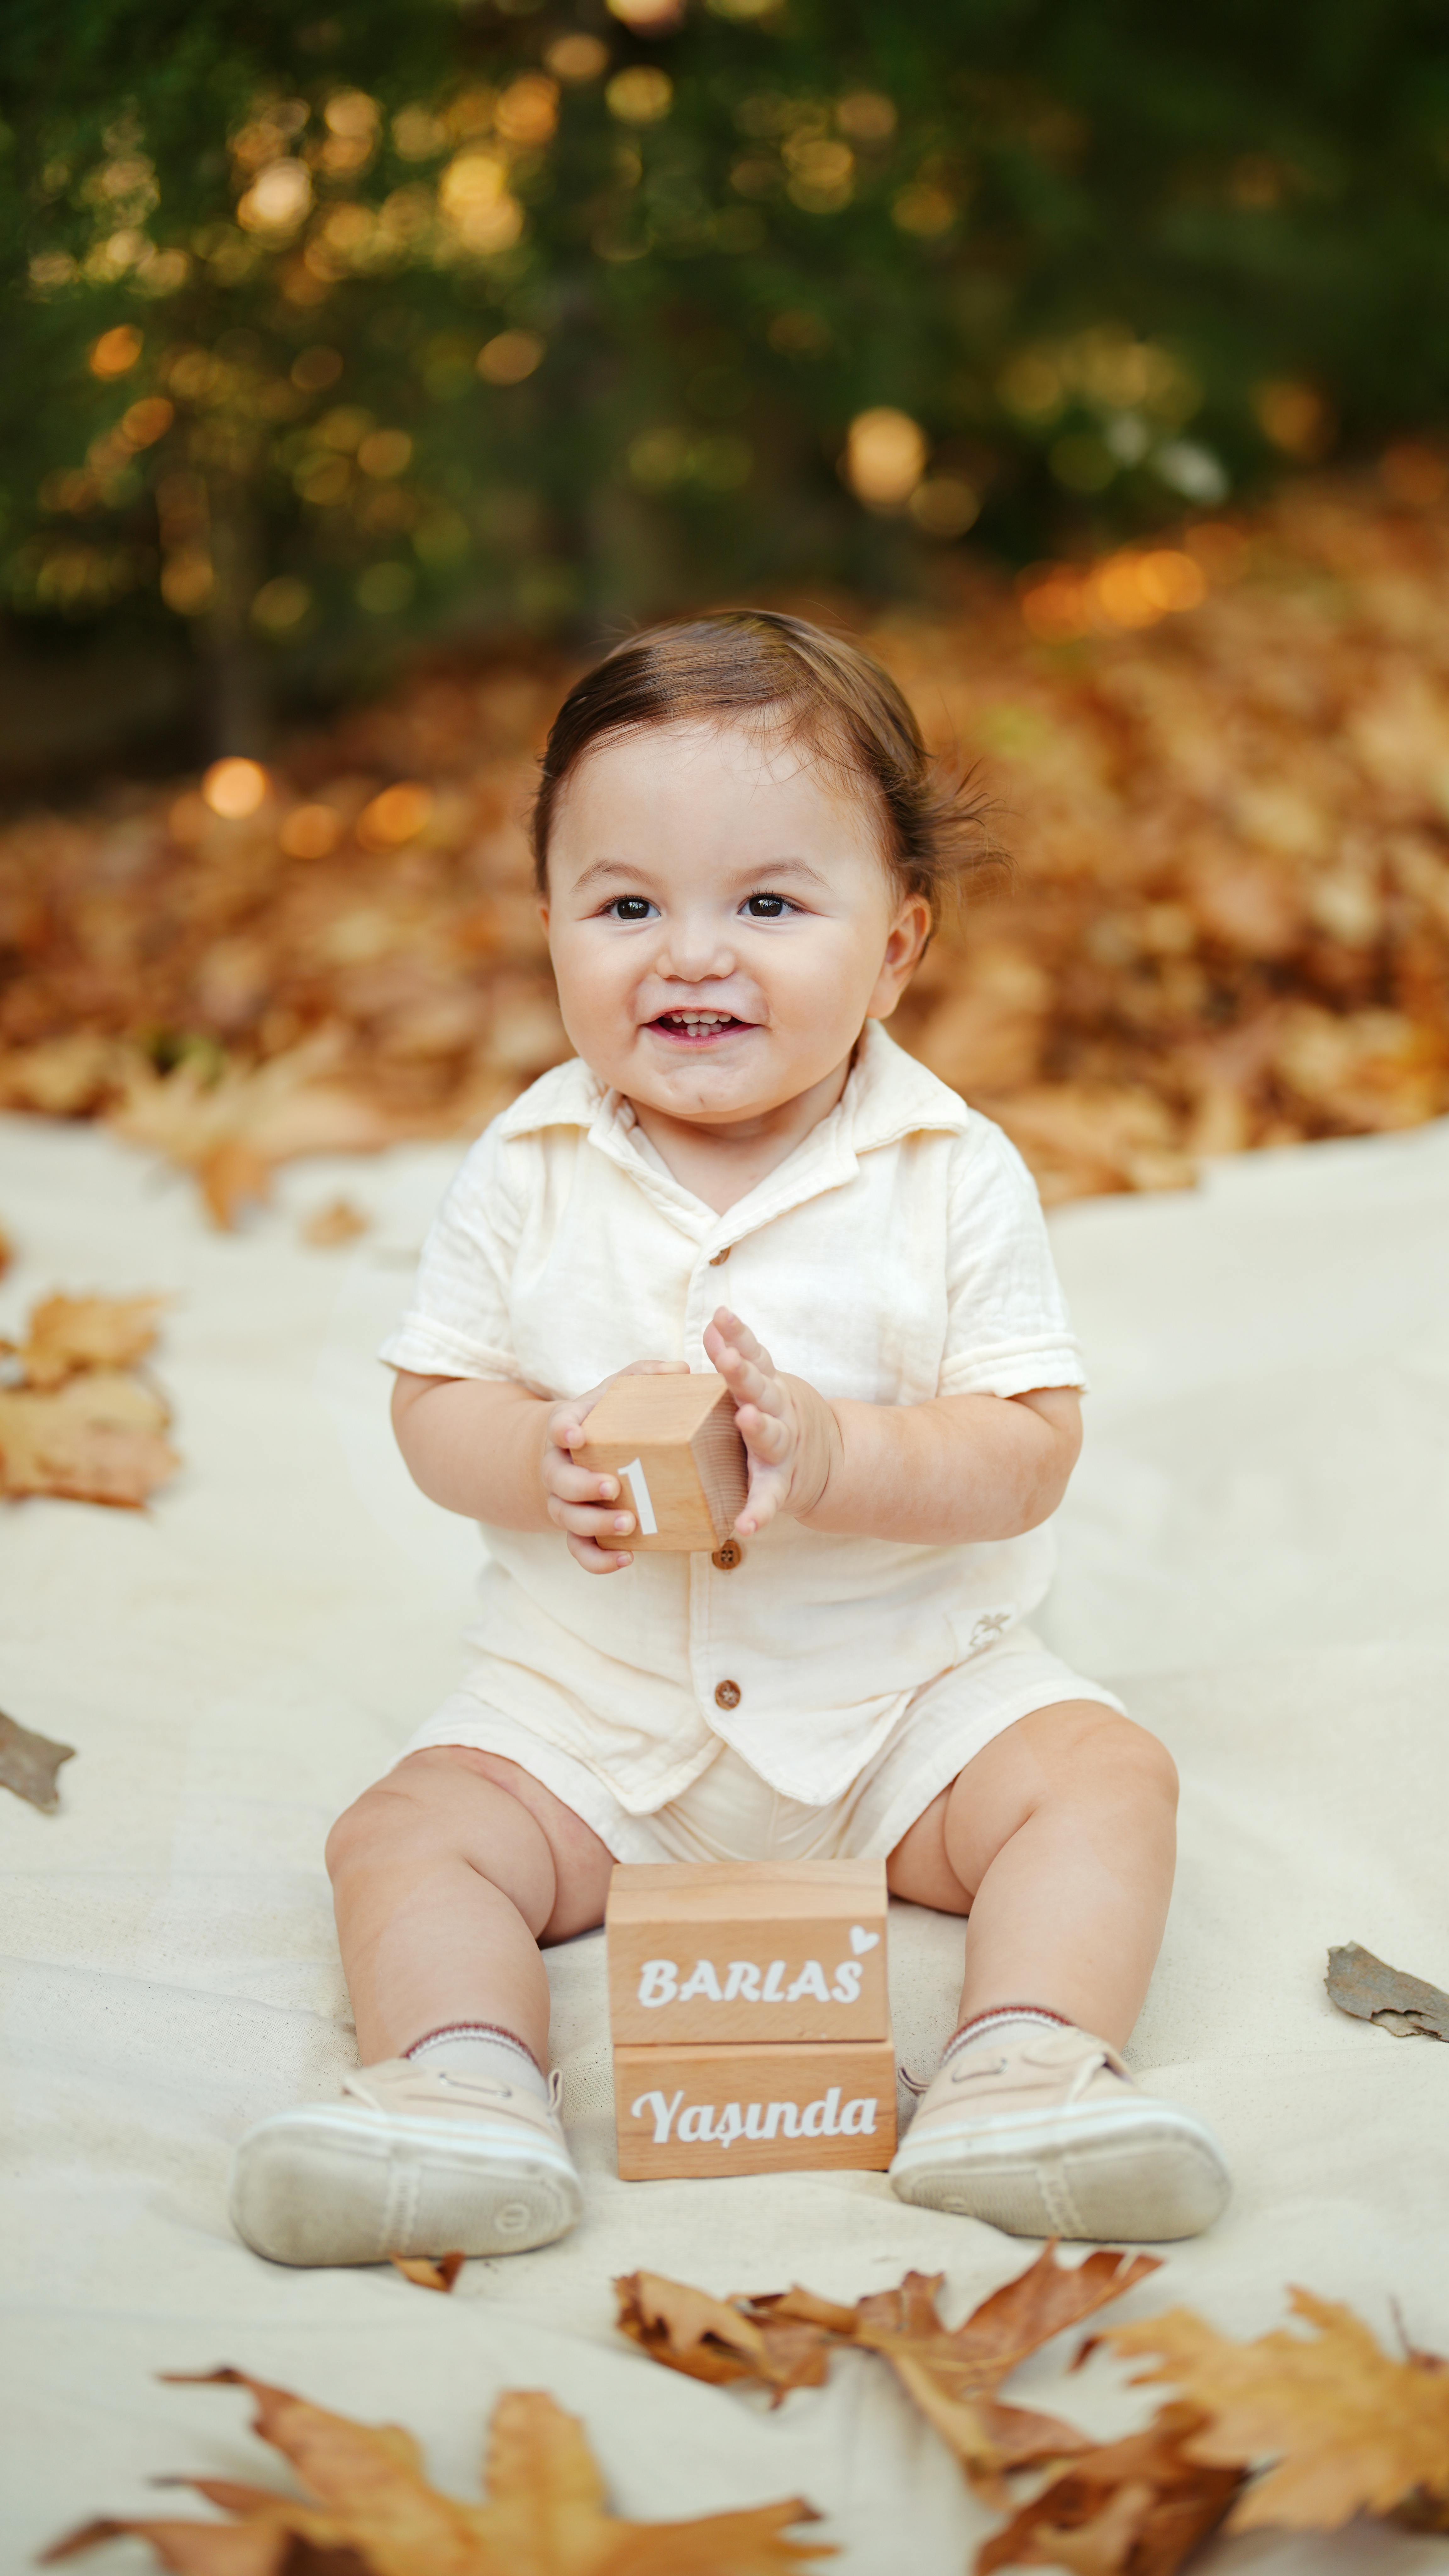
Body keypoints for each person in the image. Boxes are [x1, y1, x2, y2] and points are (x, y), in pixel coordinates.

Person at [230, 611, 1229, 2267]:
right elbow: (434, 1404)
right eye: (626, 906)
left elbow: (1028, 1444)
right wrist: (531, 1455)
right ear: (550, 925)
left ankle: (1026, 2071)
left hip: (911, 1708)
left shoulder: (948, 1171)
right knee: (403, 1833)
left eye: (769, 904)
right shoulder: (527, 1167)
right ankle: (459, 2091)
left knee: (1103, 1778)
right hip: (592, 1719)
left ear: (896, 946)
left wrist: (843, 1458)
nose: (692, 954)